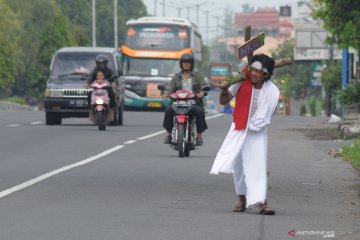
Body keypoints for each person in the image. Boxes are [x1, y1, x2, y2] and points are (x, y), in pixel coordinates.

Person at [210, 54, 280, 215]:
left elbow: (269, 113)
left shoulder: (273, 91)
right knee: (239, 166)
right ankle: (242, 199)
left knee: (258, 166)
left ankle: (260, 202)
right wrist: (223, 90)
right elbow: (224, 101)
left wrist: (253, 124)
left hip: (258, 132)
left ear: (266, 74)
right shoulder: (241, 83)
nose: (254, 73)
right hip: (239, 129)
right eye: (252, 70)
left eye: (258, 71)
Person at [162, 53, 209, 146]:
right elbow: (170, 88)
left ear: (192, 64)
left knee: (200, 112)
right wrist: (166, 94)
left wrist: (202, 93)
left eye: (188, 62)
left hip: (193, 102)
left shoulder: (197, 76)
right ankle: (168, 134)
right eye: (184, 62)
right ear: (181, 64)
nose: (186, 64)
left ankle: (199, 137)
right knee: (168, 111)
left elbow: (204, 86)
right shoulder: (176, 77)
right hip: (177, 102)